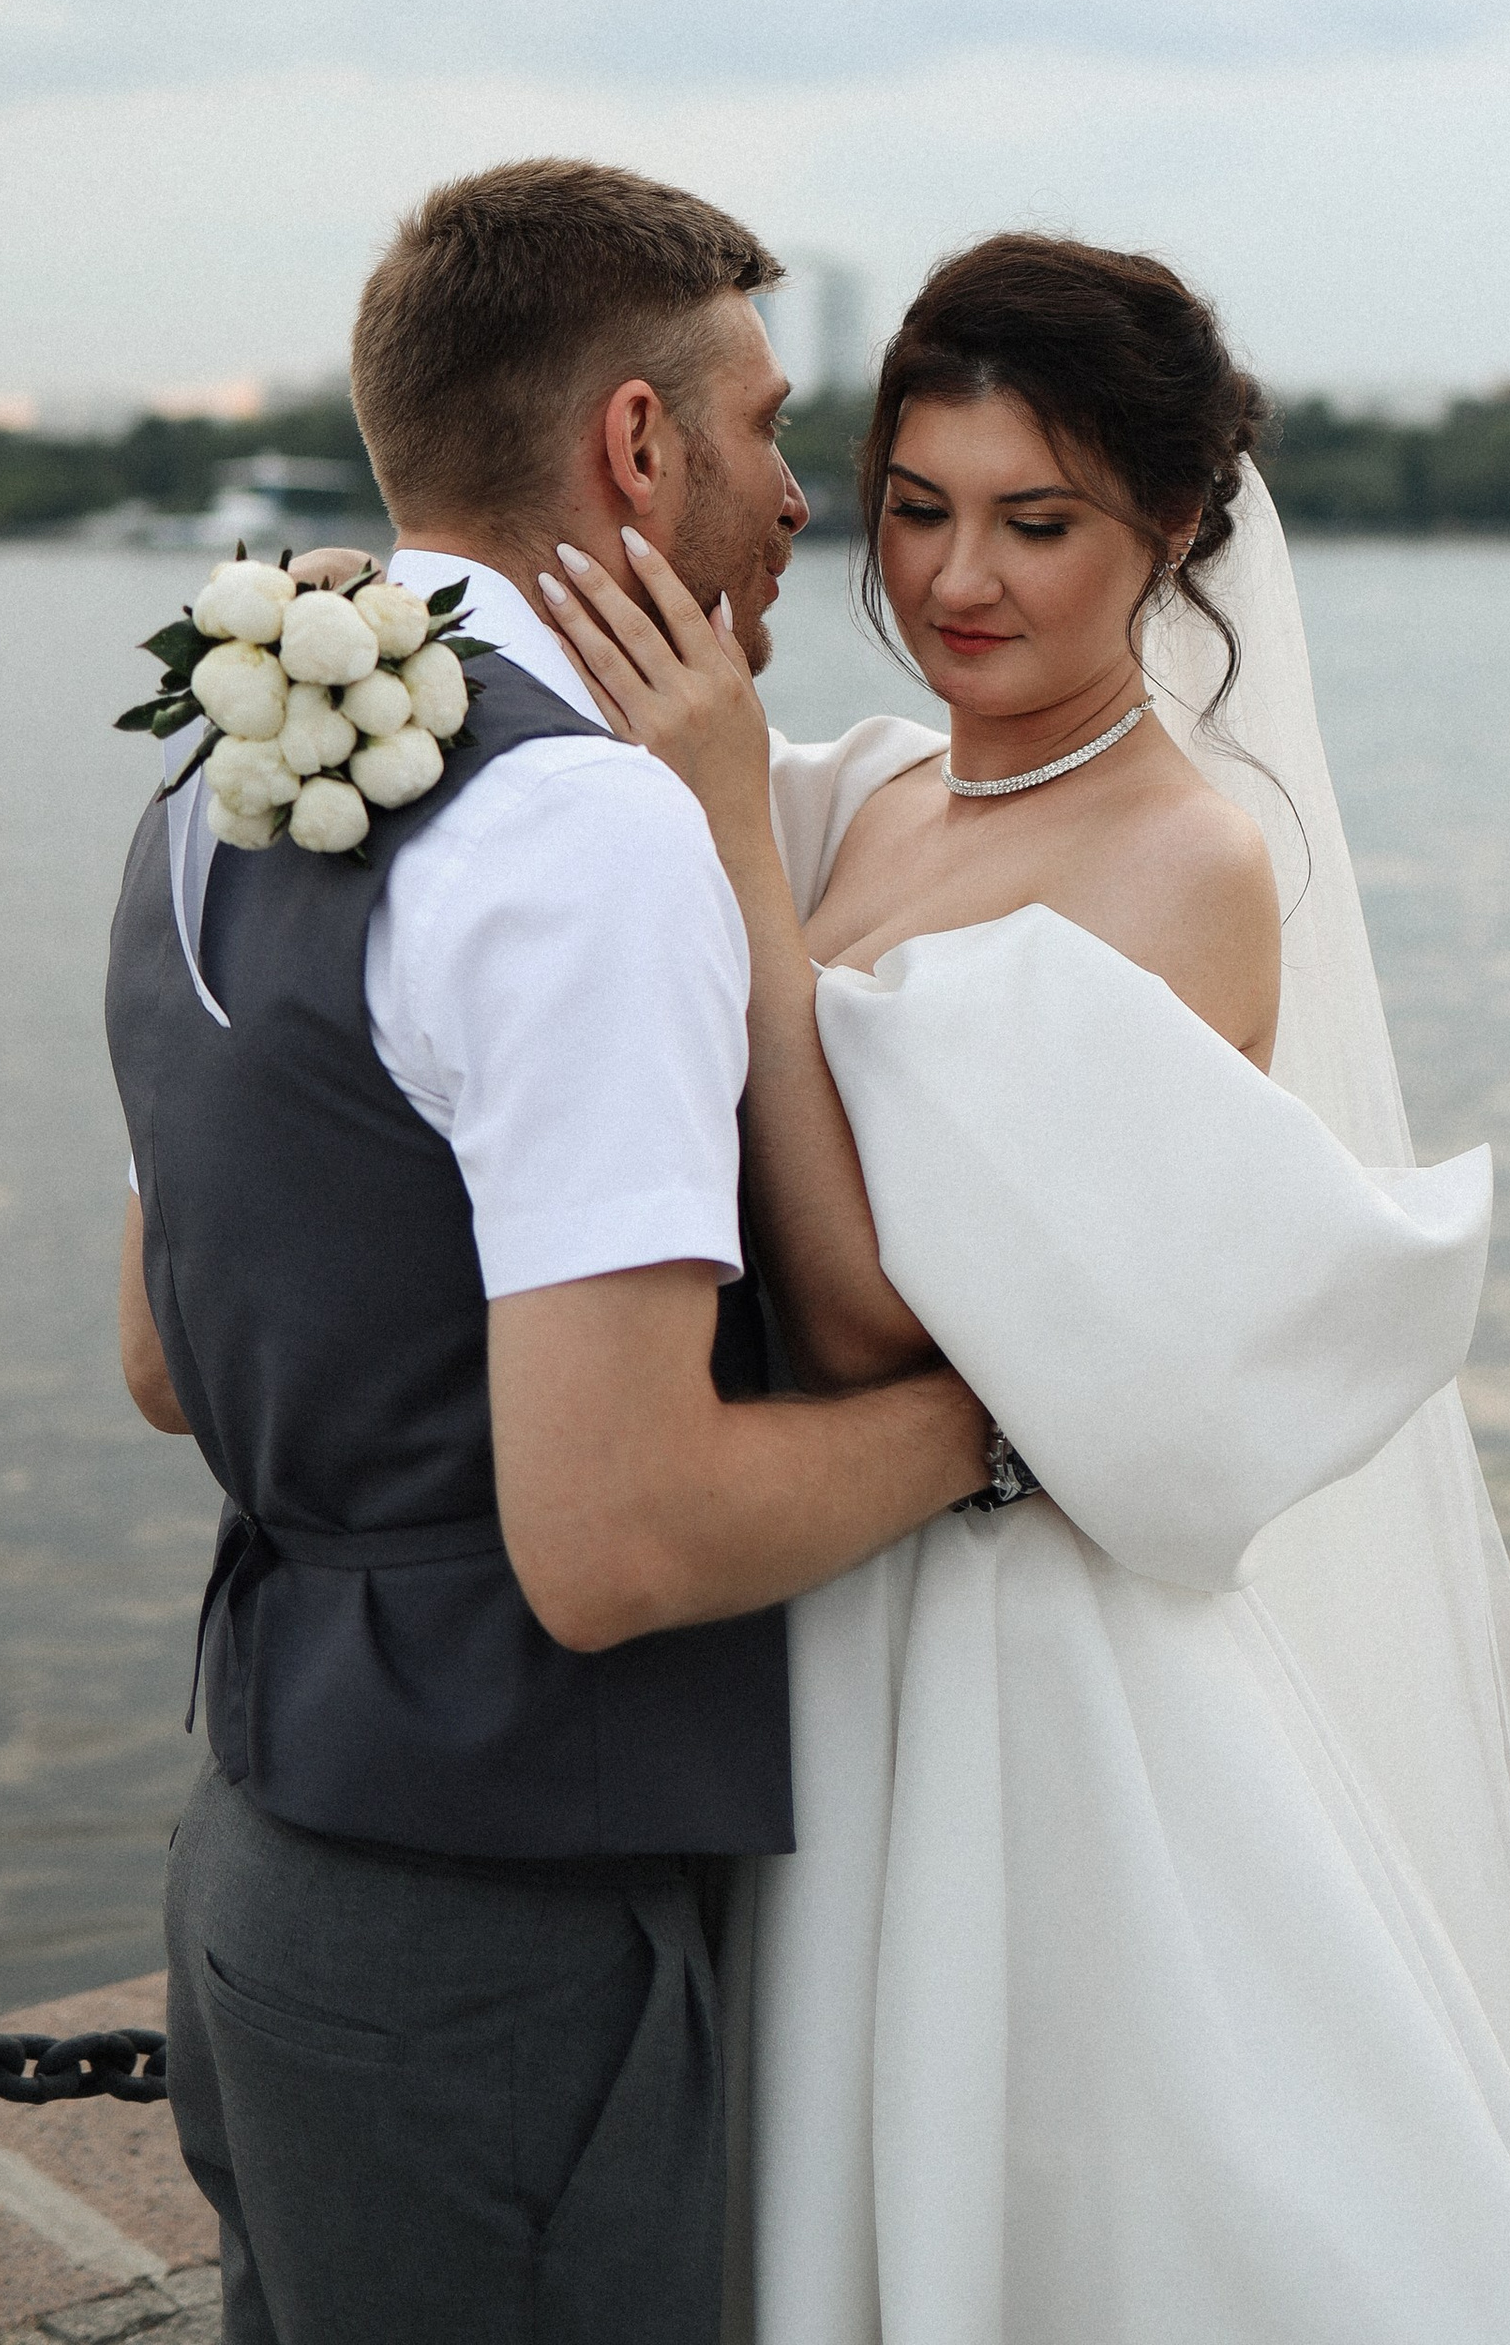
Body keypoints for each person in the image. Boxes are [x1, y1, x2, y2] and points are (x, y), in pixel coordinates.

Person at [537, 230, 1510, 2345]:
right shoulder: (872, 791)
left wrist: (740, 856)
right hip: (817, 1603)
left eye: (1036, 524)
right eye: (915, 508)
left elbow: (868, 1320)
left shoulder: (1185, 860)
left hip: (1009, 1667)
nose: (959, 579)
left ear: (1176, 529)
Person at [105, 159, 993, 2345]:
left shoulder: (221, 755)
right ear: (636, 445)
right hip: (488, 1939)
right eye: (767, 427)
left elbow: (163, 1356)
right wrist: (992, 1417)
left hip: (261, 1857)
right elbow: (614, 1540)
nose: (800, 496)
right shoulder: (580, 828)